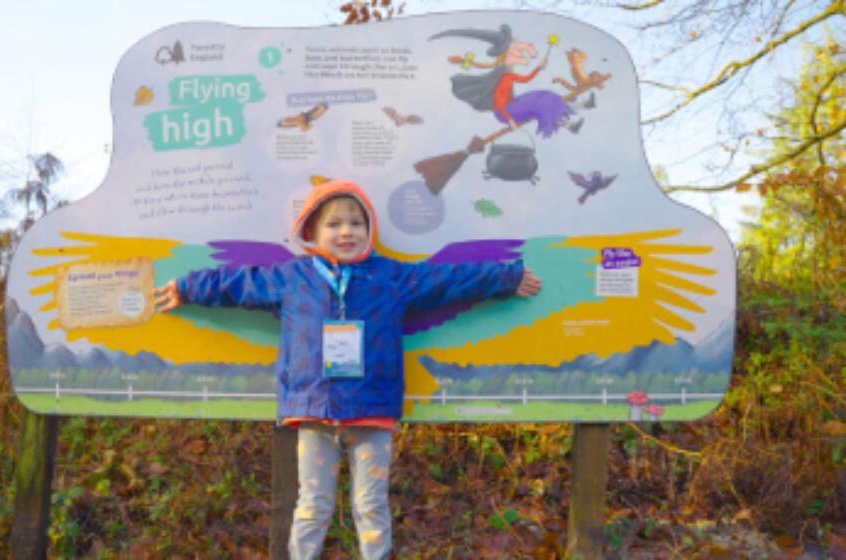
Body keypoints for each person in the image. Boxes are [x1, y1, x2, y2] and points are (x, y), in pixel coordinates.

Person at [154, 179, 541, 559]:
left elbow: (447, 280)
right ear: (312, 230)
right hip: (313, 412)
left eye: (356, 223)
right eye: (333, 224)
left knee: (371, 507)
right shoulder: (292, 278)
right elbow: (238, 284)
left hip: (371, 414)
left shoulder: (392, 277)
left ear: (369, 229)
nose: (346, 232)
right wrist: (188, 287)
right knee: (312, 506)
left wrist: (505, 277)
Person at [432, 24, 583, 137]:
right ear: (506, 56)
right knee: (538, 103)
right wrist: (510, 120)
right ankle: (568, 123)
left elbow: (526, 79)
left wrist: (539, 67)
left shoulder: (509, 75)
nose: (517, 52)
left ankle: (574, 107)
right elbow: (498, 102)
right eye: (512, 51)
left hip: (513, 105)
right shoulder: (500, 78)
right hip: (504, 112)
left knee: (542, 94)